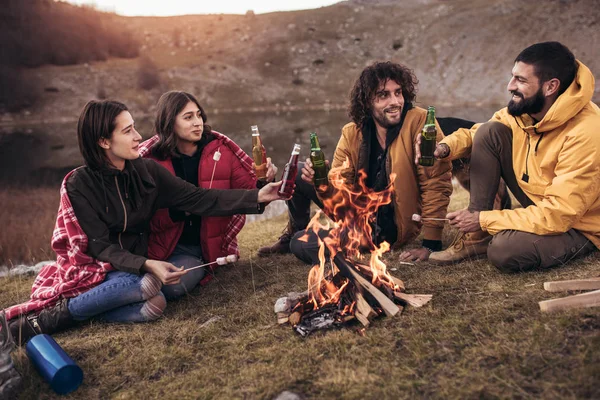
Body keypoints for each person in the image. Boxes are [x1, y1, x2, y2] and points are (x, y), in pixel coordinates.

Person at [5, 100, 286, 345]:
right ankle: (47, 321)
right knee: (143, 285)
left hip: (137, 263)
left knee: (155, 304)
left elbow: (199, 199)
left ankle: (94, 309)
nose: (139, 137)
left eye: (135, 128)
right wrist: (147, 265)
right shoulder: (80, 184)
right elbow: (100, 246)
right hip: (97, 265)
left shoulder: (146, 171)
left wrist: (256, 196)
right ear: (104, 142)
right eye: (128, 131)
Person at [421, 41, 600, 271]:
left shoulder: (586, 132)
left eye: (521, 80)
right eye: (513, 76)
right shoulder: (526, 110)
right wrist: (443, 148)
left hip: (578, 223)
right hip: (540, 199)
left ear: (550, 87)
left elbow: (559, 215)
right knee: (489, 131)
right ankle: (477, 238)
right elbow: (478, 132)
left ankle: (585, 244)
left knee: (504, 251)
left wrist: (483, 219)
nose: (510, 86)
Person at [259, 61, 453, 263]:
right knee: (297, 172)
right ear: (367, 101)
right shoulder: (352, 132)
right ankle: (293, 231)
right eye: (383, 95)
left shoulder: (420, 122)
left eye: (398, 92)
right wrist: (323, 182)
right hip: (356, 215)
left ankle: (315, 240)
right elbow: (339, 195)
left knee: (303, 243)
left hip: (389, 228)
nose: (395, 101)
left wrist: (431, 243)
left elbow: (436, 182)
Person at [138, 91, 277, 300]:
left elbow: (249, 194)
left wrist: (263, 182)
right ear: (169, 122)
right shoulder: (151, 162)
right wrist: (178, 213)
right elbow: (142, 220)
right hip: (163, 245)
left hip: (199, 248)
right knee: (147, 285)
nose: (197, 123)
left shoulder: (220, 151)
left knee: (173, 288)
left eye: (199, 115)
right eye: (188, 117)